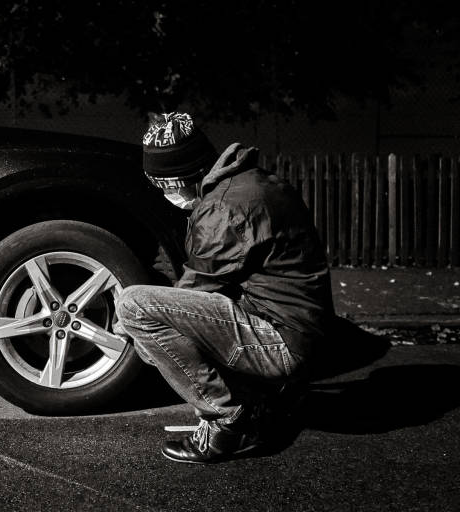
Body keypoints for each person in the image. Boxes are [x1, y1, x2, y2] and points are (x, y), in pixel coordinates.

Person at [115, 112, 334, 464]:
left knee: (133, 309)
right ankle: (268, 398)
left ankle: (229, 421)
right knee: (152, 319)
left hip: (282, 344)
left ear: (176, 180)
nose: (162, 195)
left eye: (161, 186)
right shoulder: (252, 182)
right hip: (303, 331)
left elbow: (195, 294)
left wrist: (130, 329)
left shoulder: (223, 210)